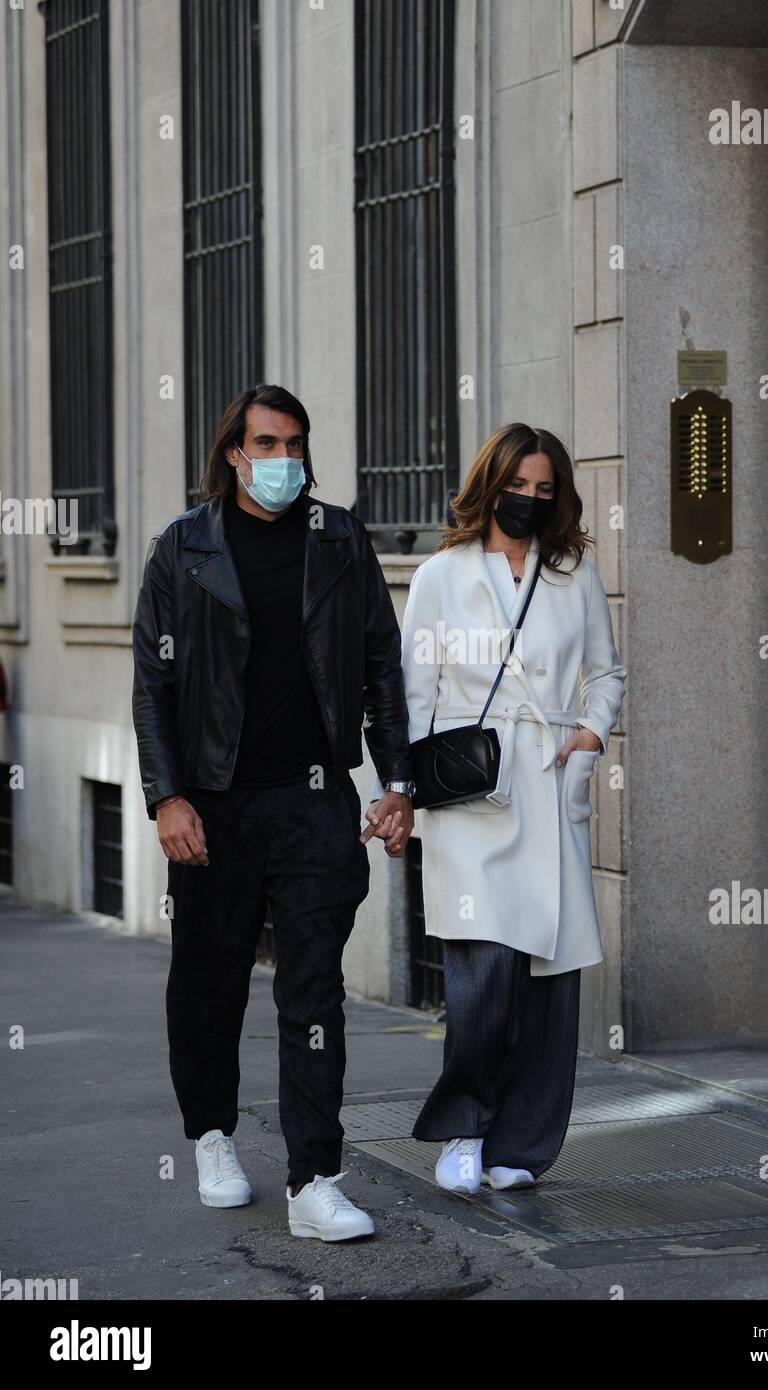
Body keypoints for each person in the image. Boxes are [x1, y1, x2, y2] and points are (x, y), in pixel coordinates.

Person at [131, 383, 415, 1241]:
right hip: (213, 804)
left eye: (294, 444)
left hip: (314, 801)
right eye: (265, 444)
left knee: (314, 994)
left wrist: (395, 780)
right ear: (232, 453)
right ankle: (212, 1137)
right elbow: (153, 684)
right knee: (209, 987)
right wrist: (167, 795)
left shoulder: (338, 540)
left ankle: (314, 1181)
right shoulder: (184, 548)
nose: (282, 460)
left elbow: (380, 664)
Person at [365, 423, 626, 1193]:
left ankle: (521, 1147)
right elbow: (412, 691)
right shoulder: (442, 575)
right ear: (491, 485)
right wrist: (399, 790)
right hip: (471, 789)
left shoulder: (573, 572)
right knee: (483, 974)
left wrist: (588, 734)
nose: (530, 501)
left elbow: (606, 673)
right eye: (519, 487)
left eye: (545, 491)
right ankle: (461, 1130)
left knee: (548, 980)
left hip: (548, 784)